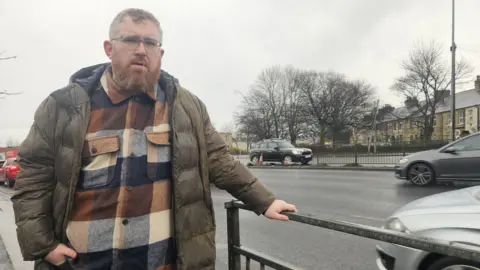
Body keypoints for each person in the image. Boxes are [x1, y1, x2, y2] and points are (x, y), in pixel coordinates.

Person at [11, 8, 296, 270]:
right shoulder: (63, 106)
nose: (140, 50)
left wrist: (265, 201)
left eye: (150, 43)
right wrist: (44, 246)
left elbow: (218, 159)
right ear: (109, 48)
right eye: (130, 40)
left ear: (160, 52)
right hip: (81, 264)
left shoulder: (185, 107)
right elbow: (34, 177)